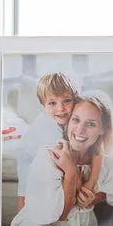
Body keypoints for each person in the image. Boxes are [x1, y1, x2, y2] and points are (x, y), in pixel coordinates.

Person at [11, 92, 113, 226]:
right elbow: (60, 214)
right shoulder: (49, 156)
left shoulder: (109, 163)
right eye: (76, 120)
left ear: (102, 129)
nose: (80, 129)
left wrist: (96, 196)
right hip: (41, 223)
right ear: (68, 122)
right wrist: (70, 172)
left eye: (90, 124)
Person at [14, 72, 78, 213]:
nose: (61, 108)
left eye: (66, 101)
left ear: (75, 99)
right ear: (43, 105)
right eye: (52, 103)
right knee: (26, 192)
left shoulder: (72, 118)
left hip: (42, 160)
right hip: (29, 159)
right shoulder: (47, 130)